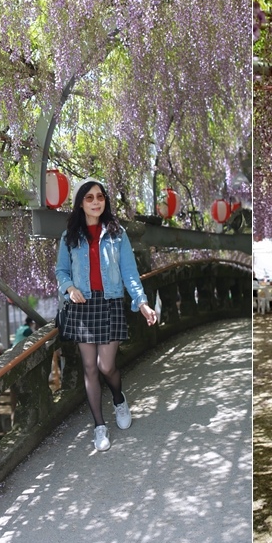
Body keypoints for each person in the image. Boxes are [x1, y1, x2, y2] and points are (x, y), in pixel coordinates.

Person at [56, 179, 157, 452]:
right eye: (89, 198)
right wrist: (70, 288)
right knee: (89, 368)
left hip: (110, 302)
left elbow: (129, 273)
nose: (96, 201)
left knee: (106, 366)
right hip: (83, 305)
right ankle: (99, 426)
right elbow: (61, 272)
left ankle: (118, 399)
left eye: (100, 196)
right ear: (80, 203)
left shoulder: (116, 233)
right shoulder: (70, 237)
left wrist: (142, 303)